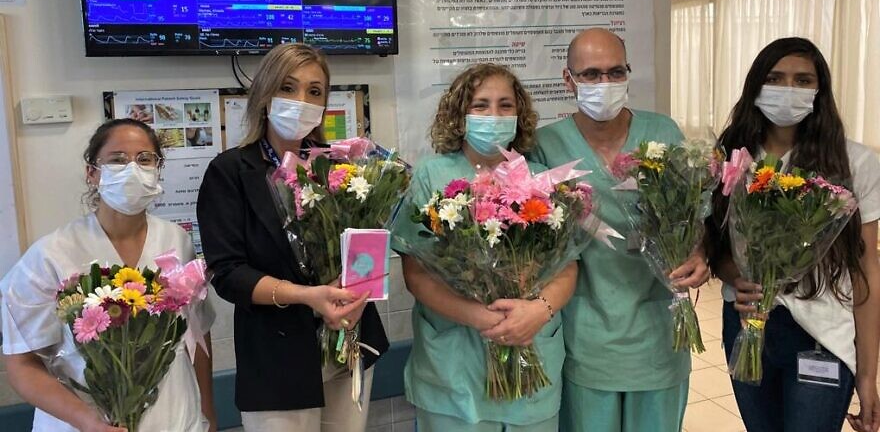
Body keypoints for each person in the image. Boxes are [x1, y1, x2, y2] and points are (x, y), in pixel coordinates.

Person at [197, 43, 388, 432]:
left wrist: (357, 292)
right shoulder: (230, 171)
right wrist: (308, 296)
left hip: (350, 342)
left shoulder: (340, 166)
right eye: (288, 87)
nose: (301, 100)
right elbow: (229, 274)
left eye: (314, 91)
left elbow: (365, 244)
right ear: (265, 95)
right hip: (276, 359)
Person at [530, 28, 709, 432]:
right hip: (588, 331)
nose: (604, 84)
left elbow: (696, 214)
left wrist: (699, 254)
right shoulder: (545, 146)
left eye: (615, 72)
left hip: (659, 330)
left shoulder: (663, 134)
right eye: (591, 74)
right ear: (568, 79)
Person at [391, 63, 578, 431]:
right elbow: (415, 272)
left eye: (505, 105)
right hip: (454, 365)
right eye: (480, 105)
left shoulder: (542, 179)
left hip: (531, 351)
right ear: (460, 115)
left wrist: (539, 311)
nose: (494, 115)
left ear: (519, 114)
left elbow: (569, 266)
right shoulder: (432, 176)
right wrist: (477, 316)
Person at [707, 37, 880, 432]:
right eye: (775, 78)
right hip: (748, 326)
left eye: (803, 80)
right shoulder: (732, 158)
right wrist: (736, 276)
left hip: (823, 334)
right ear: (755, 86)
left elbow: (866, 268)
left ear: (820, 91)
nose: (788, 90)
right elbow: (715, 245)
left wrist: (868, 375)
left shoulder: (856, 163)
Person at [0, 118, 216, 432]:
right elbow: (21, 365)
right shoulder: (50, 255)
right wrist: (86, 421)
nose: (132, 169)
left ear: (158, 170)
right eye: (117, 160)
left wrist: (207, 411)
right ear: (92, 173)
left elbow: (196, 334)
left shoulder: (176, 242)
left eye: (144, 159)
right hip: (83, 423)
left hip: (174, 416)